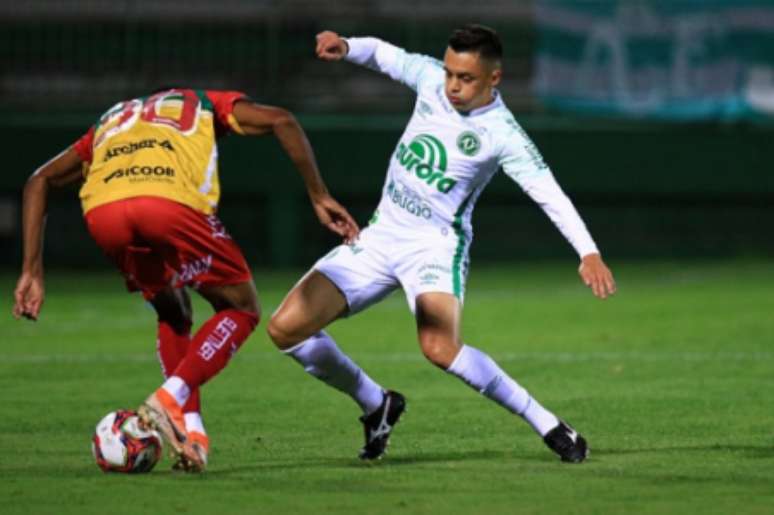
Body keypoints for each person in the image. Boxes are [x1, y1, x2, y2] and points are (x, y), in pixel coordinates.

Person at [267, 26, 616, 463]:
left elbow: (549, 192)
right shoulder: (431, 80)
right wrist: (348, 47)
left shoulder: (502, 134)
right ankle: (376, 403)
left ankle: (547, 423)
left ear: (494, 79)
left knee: (439, 349)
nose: (452, 84)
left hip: (433, 248)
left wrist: (588, 252)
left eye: (466, 78)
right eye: (450, 72)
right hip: (378, 239)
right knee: (285, 329)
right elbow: (385, 54)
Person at [12, 87, 359, 472]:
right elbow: (282, 119)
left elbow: (38, 180)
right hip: (168, 205)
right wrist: (318, 194)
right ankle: (168, 398)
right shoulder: (205, 103)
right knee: (241, 308)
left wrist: (31, 269)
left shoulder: (114, 117)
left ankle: (192, 434)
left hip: (104, 214)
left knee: (173, 312)